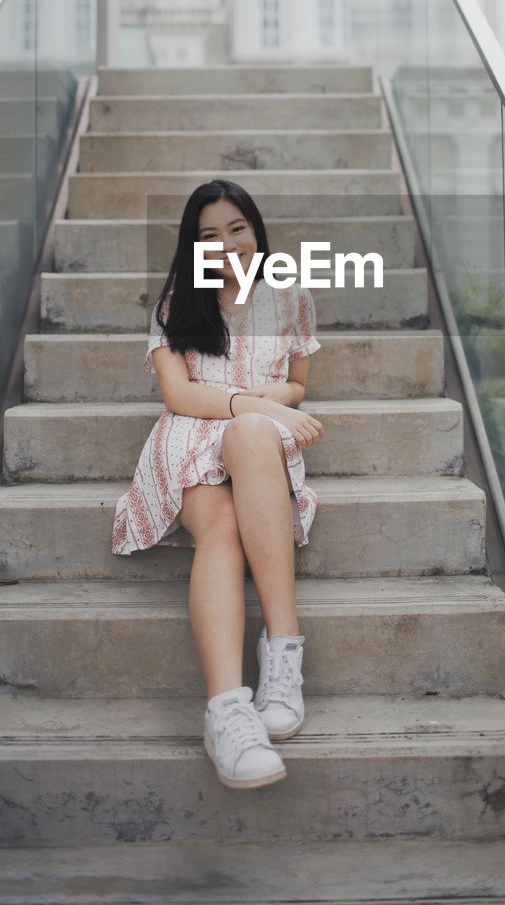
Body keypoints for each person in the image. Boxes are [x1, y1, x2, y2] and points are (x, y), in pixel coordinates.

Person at [111, 179, 324, 790]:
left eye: (237, 228)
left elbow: (298, 385)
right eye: (209, 236)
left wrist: (270, 408)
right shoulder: (179, 302)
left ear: (256, 231)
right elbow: (180, 395)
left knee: (255, 434)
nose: (227, 244)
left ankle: (282, 653)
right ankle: (227, 710)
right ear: (193, 247)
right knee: (224, 523)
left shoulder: (291, 298)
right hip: (188, 437)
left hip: (255, 439)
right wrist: (263, 407)